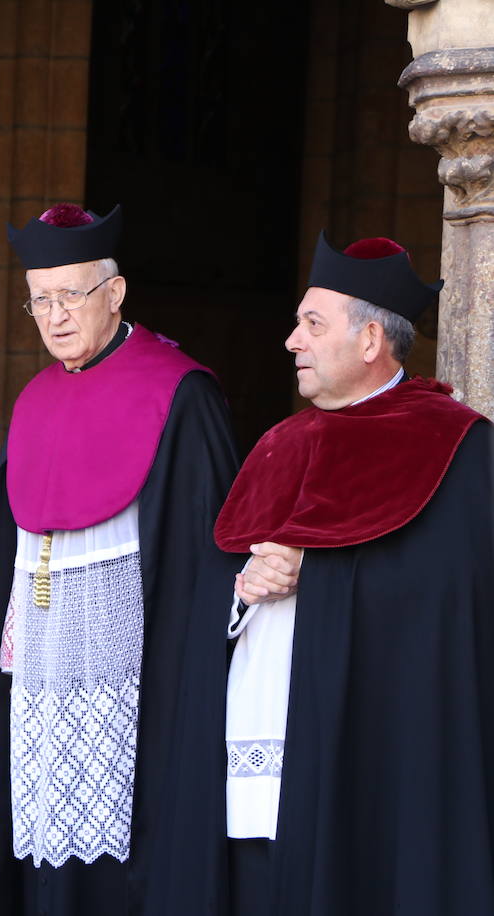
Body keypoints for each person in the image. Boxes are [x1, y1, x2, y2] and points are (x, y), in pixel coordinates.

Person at [0, 203, 241, 916]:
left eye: (70, 296)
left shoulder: (179, 394)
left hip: (136, 691)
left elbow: (201, 563)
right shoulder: (33, 401)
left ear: (114, 294)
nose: (54, 316)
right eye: (39, 301)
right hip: (44, 681)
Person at [215, 233, 494, 915]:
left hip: (389, 755)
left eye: (312, 323)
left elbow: (455, 598)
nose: (291, 340)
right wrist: (243, 590)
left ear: (371, 341)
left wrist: (320, 569)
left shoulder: (459, 445)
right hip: (272, 742)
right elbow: (214, 583)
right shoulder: (281, 445)